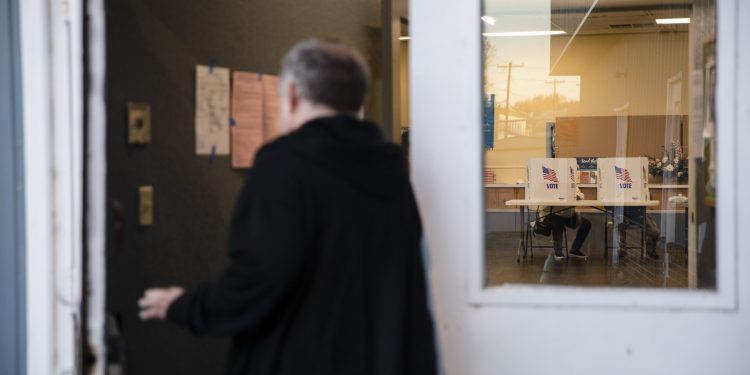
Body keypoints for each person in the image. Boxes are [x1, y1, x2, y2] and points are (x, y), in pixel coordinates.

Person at [137, 38, 437, 375]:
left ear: (292, 95)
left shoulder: (284, 164)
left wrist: (185, 306)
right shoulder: (391, 170)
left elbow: (259, 277)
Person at [543, 189, 591, 260]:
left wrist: (577, 196)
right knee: (557, 222)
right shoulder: (549, 183)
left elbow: (581, 195)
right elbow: (543, 202)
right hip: (552, 214)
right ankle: (558, 252)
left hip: (568, 215)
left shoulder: (570, 181)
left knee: (586, 223)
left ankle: (575, 249)